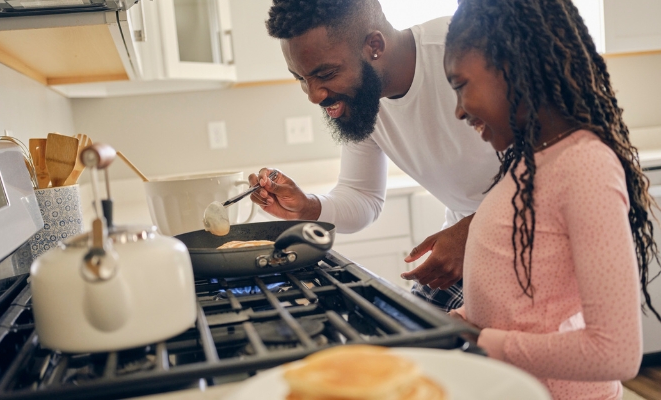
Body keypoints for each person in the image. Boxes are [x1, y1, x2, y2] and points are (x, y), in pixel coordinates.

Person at [443, 0, 661, 398]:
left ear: (513, 63)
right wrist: (451, 325)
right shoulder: (530, 162)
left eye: (460, 86)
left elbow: (615, 352)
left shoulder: (584, 165)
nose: (458, 111)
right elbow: (519, 310)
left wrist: (483, 342)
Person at [249, 0, 500, 312]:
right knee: (414, 330)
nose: (313, 95)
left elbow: (554, 166)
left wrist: (475, 231)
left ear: (375, 45)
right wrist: (307, 206)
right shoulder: (363, 100)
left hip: (535, 228)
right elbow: (362, 196)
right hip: (474, 237)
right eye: (301, 78)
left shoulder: (466, 49)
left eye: (325, 73)